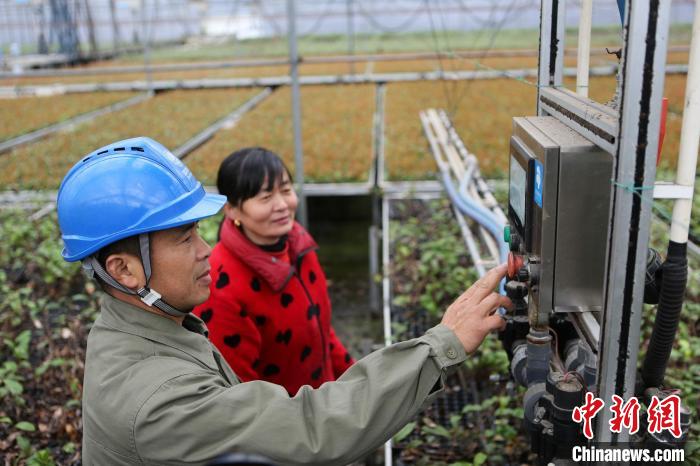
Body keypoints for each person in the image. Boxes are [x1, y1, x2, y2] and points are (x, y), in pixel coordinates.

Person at [57, 137, 511, 465]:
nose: (204, 250)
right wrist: (441, 344)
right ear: (123, 270)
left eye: (198, 232)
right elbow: (308, 429)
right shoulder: (162, 401)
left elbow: (321, 333)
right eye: (184, 238)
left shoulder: (149, 326)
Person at [193, 147, 354, 396]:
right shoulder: (220, 288)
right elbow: (242, 390)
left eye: (286, 190)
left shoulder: (298, 246)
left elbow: (321, 330)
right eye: (265, 197)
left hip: (324, 402)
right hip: (288, 422)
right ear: (232, 210)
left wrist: (352, 379)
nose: (282, 205)